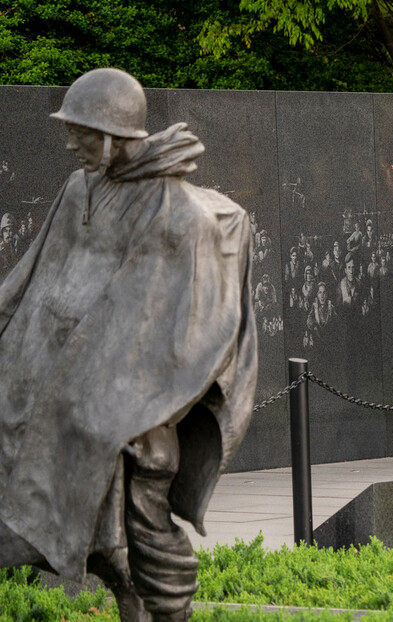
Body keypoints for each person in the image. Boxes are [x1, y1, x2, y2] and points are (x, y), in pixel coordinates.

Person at [0, 68, 257, 621]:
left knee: (143, 542)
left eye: (83, 132)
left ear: (117, 135)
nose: (71, 143)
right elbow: (32, 281)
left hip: (140, 406)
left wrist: (148, 410)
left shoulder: (182, 215)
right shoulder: (78, 189)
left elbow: (203, 334)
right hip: (69, 386)